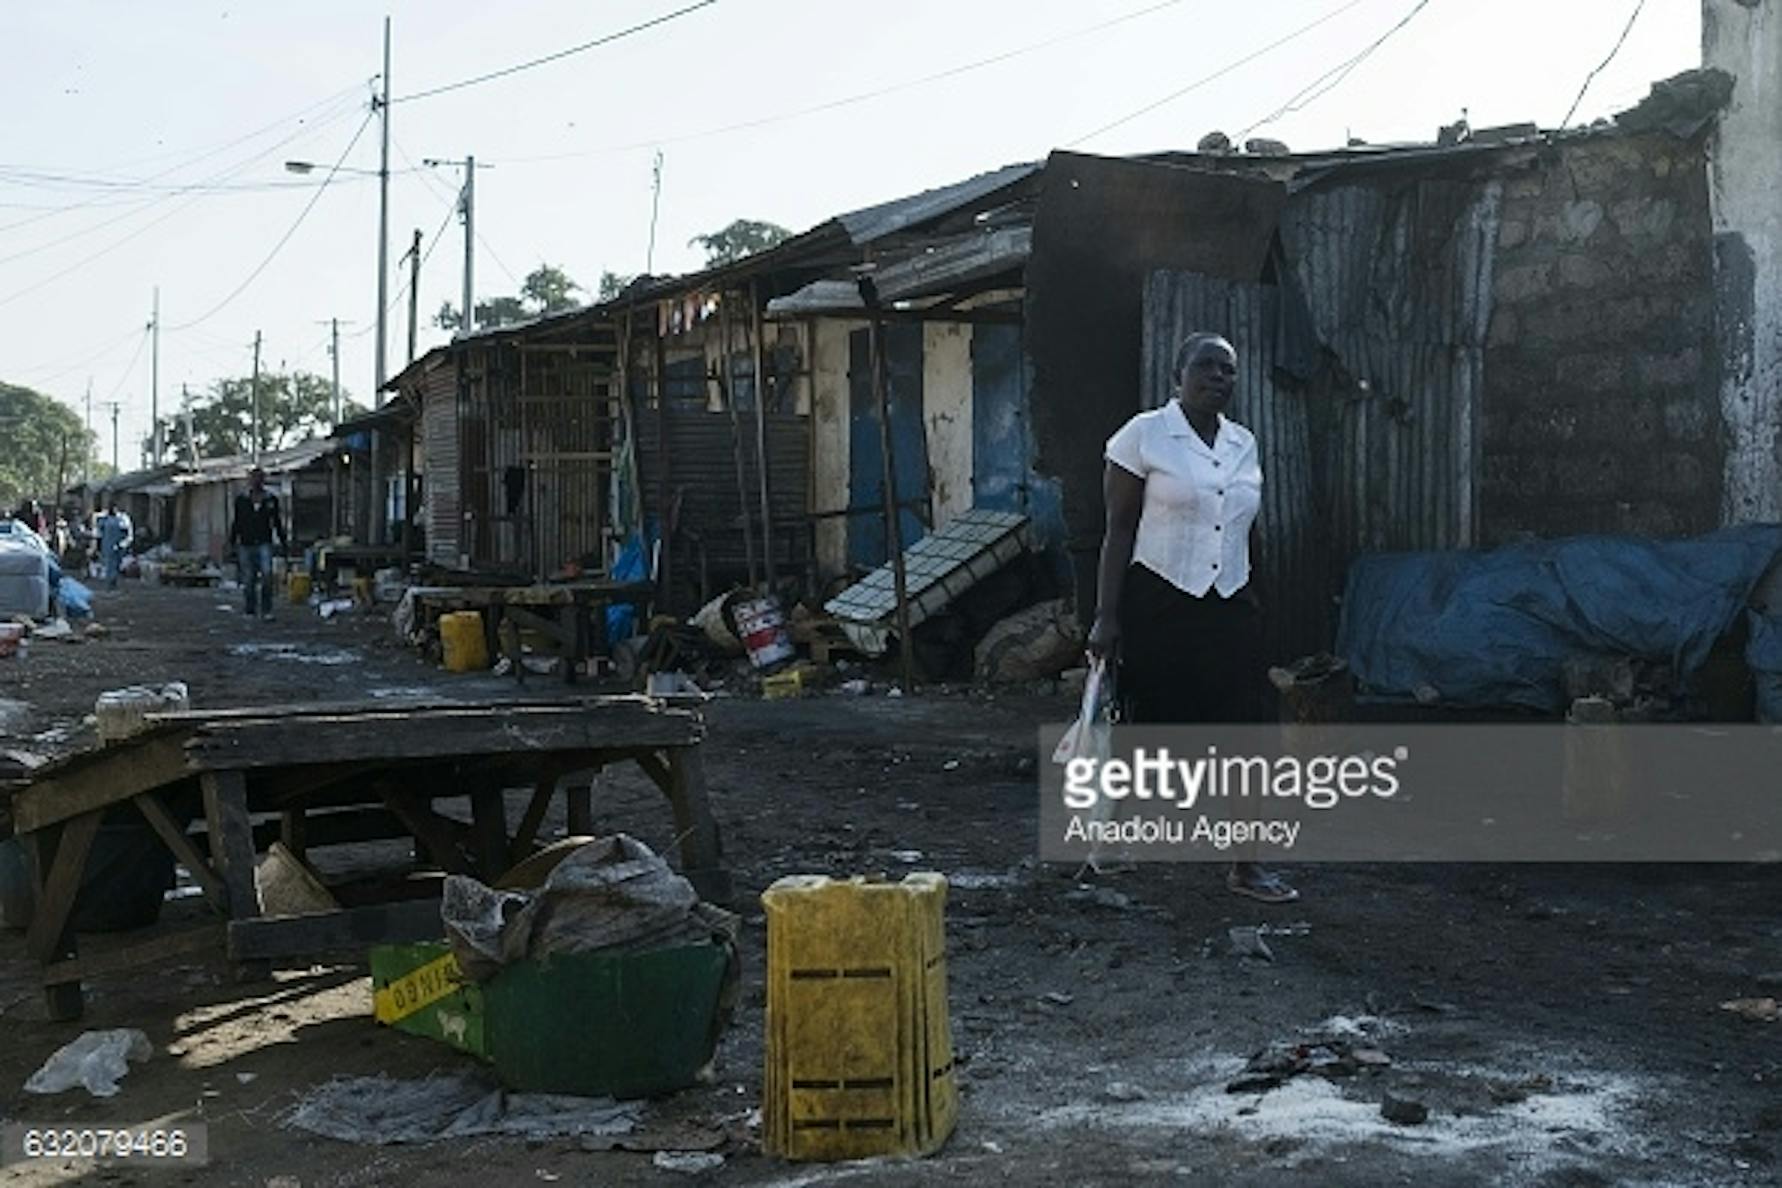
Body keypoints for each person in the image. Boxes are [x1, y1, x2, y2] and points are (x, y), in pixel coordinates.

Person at [1086, 331, 1299, 904]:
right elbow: (1119, 529)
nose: (1218, 378)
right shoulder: (1144, 436)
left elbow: (1246, 528)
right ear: (1178, 374)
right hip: (1158, 601)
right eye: (1206, 366)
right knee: (1142, 727)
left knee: (1246, 734)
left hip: (1229, 604)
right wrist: (1106, 616)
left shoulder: (1243, 444)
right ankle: (1111, 834)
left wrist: (1261, 599)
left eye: (1228, 370)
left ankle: (1246, 865)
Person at [229, 468, 287, 621]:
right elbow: (237, 522)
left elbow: (277, 522)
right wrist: (232, 542)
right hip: (246, 544)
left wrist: (283, 541)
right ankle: (250, 610)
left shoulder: (270, 500)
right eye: (253, 478)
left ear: (263, 480)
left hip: (264, 543)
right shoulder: (241, 500)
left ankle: (267, 610)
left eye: (259, 478)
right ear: (249, 480)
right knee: (249, 578)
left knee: (267, 575)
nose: (256, 481)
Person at [96, 499, 133, 591]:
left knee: (116, 565)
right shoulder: (105, 519)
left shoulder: (122, 519)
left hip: (119, 546)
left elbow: (128, 534)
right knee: (110, 565)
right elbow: (99, 531)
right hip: (108, 546)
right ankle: (110, 584)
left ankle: (114, 583)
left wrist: (123, 544)